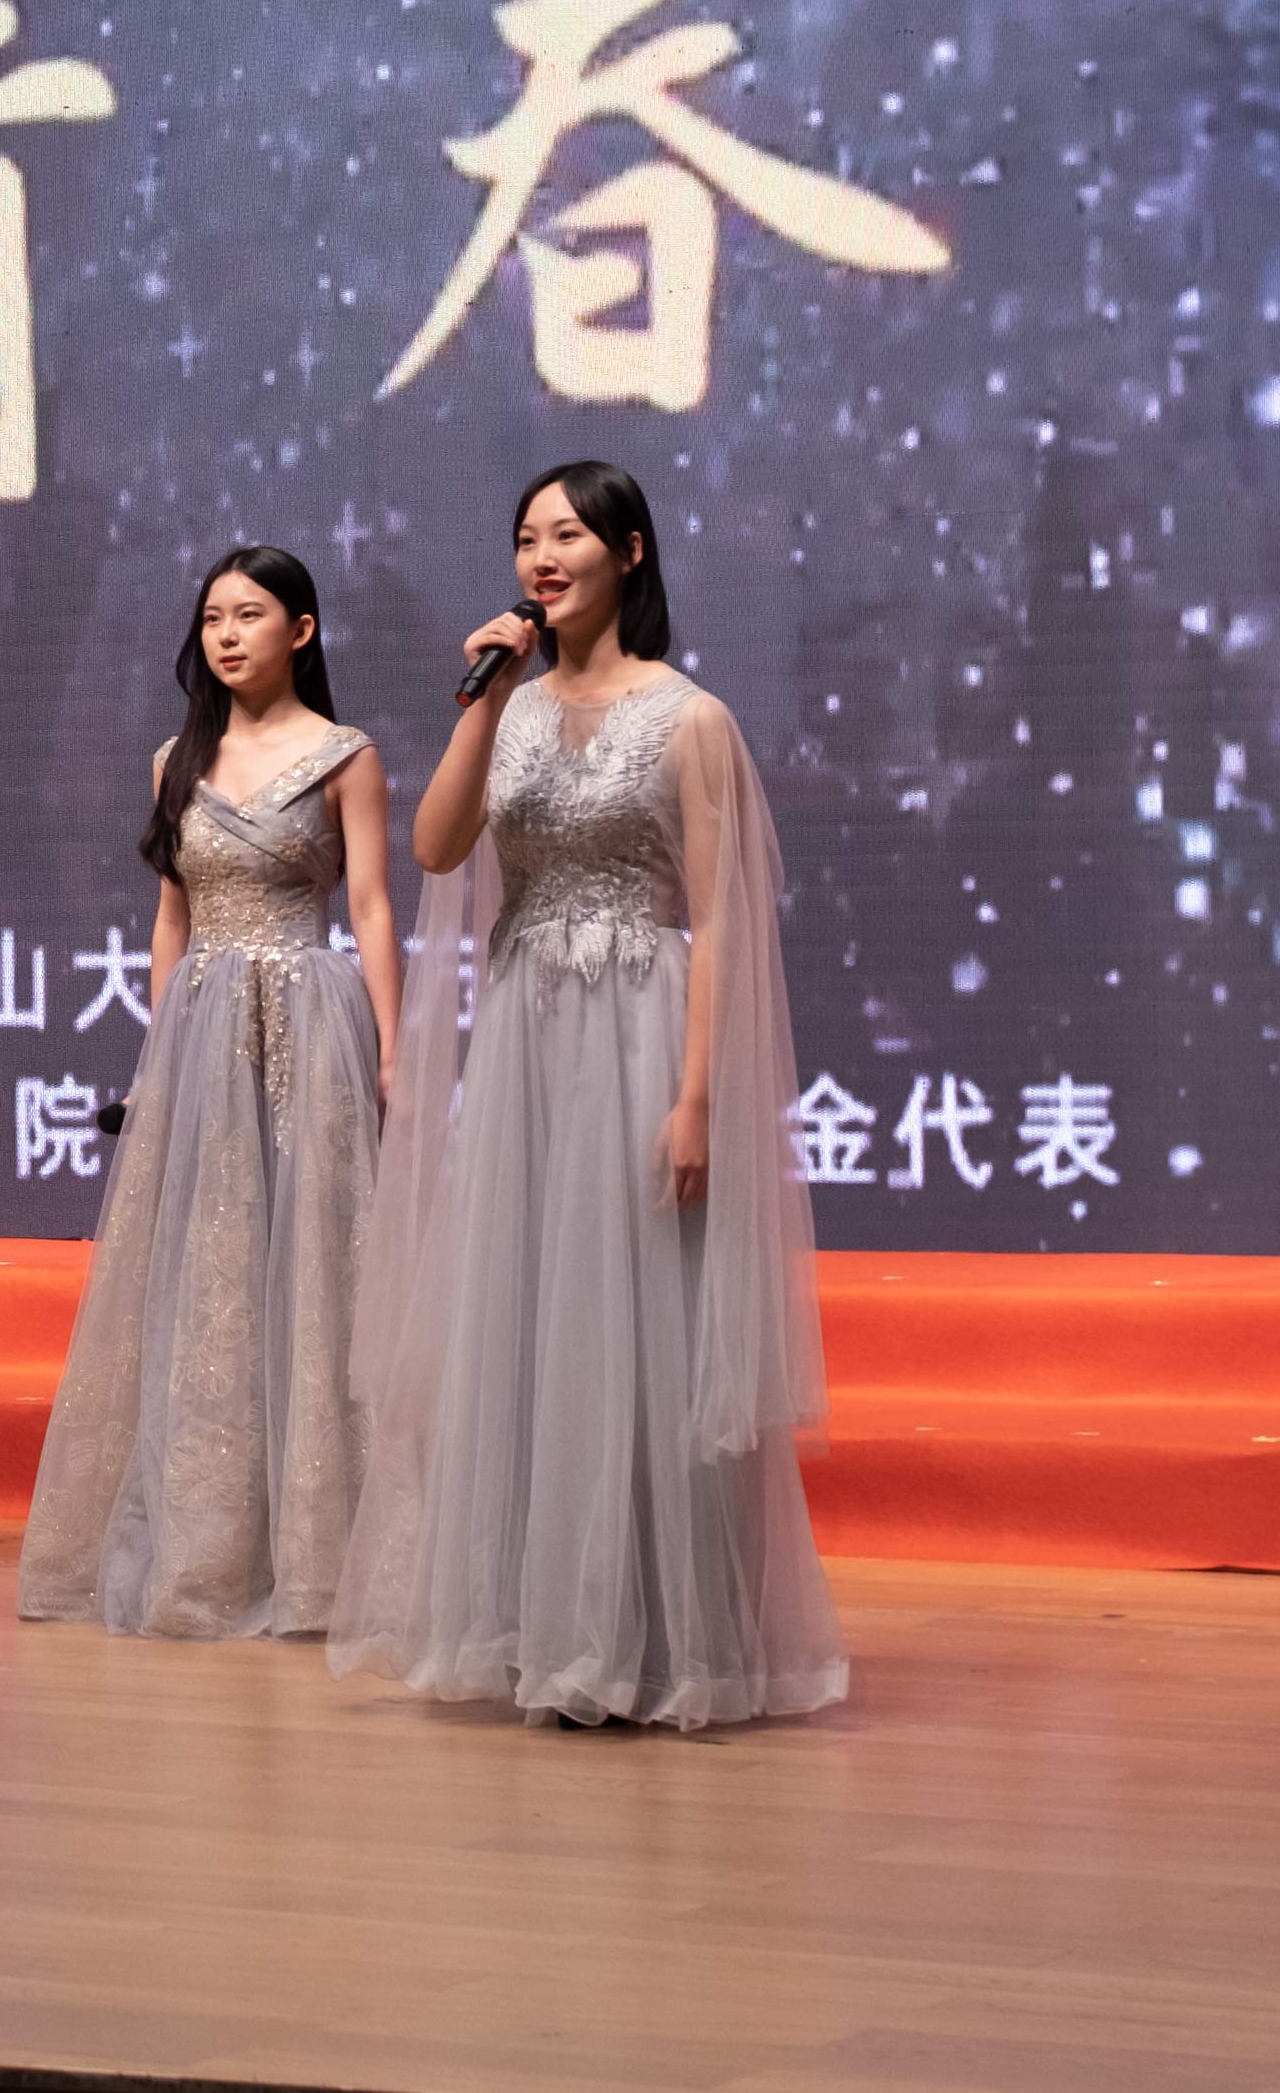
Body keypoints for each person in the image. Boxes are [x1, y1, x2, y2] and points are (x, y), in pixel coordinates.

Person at [328, 460, 847, 1729]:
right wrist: (481, 700)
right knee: (531, 1317)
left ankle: (652, 1639)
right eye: (524, 538)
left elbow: (719, 919)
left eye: (564, 534)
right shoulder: (505, 707)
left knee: (634, 1320)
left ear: (628, 550)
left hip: (639, 1031)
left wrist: (697, 1097)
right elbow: (436, 846)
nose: (540, 557)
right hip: (524, 1038)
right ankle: (537, 1630)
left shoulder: (689, 717)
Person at [19, 542, 400, 1638]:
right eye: (213, 618)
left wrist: (392, 1049)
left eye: (250, 614)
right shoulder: (173, 760)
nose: (227, 635)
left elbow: (372, 907)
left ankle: (325, 1549)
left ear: (302, 630)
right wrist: (161, 1049)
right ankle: (210, 1542)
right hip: (202, 1034)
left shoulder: (344, 756)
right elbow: (170, 919)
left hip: (311, 1018)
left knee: (314, 1262)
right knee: (212, 1272)